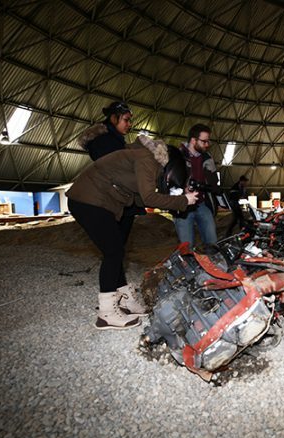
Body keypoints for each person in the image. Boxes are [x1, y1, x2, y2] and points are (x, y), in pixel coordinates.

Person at [66, 135, 199, 330]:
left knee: (116, 250)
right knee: (113, 252)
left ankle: (125, 300)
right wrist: (183, 201)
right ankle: (106, 314)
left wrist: (174, 203)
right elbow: (148, 198)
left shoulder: (145, 158)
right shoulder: (148, 160)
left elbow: (138, 199)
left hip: (93, 201)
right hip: (89, 201)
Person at [77, 101, 145, 256]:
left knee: (118, 245)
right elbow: (116, 170)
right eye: (126, 120)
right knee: (115, 246)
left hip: (121, 199)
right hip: (113, 200)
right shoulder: (104, 142)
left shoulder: (115, 140)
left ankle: (117, 275)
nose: (129, 124)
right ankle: (114, 276)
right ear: (114, 119)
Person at [174, 124, 220, 247]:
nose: (207, 144)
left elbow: (214, 183)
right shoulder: (178, 156)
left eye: (208, 141)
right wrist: (182, 190)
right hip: (184, 207)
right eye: (204, 141)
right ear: (193, 140)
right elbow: (170, 183)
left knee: (212, 243)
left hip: (202, 205)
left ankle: (212, 265)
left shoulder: (207, 157)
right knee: (187, 247)